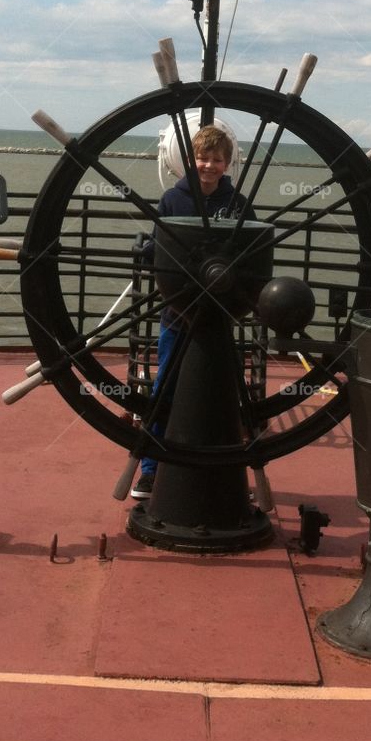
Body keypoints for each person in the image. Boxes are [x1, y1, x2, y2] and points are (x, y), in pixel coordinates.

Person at [131, 124, 255, 499]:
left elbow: (252, 249)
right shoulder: (173, 200)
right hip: (179, 311)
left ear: (228, 163)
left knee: (222, 392)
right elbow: (161, 244)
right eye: (203, 158)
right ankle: (151, 469)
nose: (209, 165)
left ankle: (224, 465)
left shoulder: (238, 205)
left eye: (217, 159)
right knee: (165, 385)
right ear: (189, 160)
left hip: (218, 315)